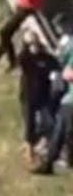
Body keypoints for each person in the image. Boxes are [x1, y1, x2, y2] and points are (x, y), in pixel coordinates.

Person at [34, 32, 73, 174]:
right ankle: (55, 161)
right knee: (64, 129)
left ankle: (50, 163)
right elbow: (60, 63)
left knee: (63, 129)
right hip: (68, 98)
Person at [19, 31, 60, 165]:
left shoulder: (47, 58)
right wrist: (26, 41)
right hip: (28, 95)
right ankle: (29, 151)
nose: (33, 46)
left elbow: (56, 66)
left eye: (35, 43)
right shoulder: (26, 58)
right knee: (29, 123)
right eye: (30, 44)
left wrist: (56, 75)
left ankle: (41, 146)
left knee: (49, 122)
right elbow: (21, 58)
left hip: (43, 95)